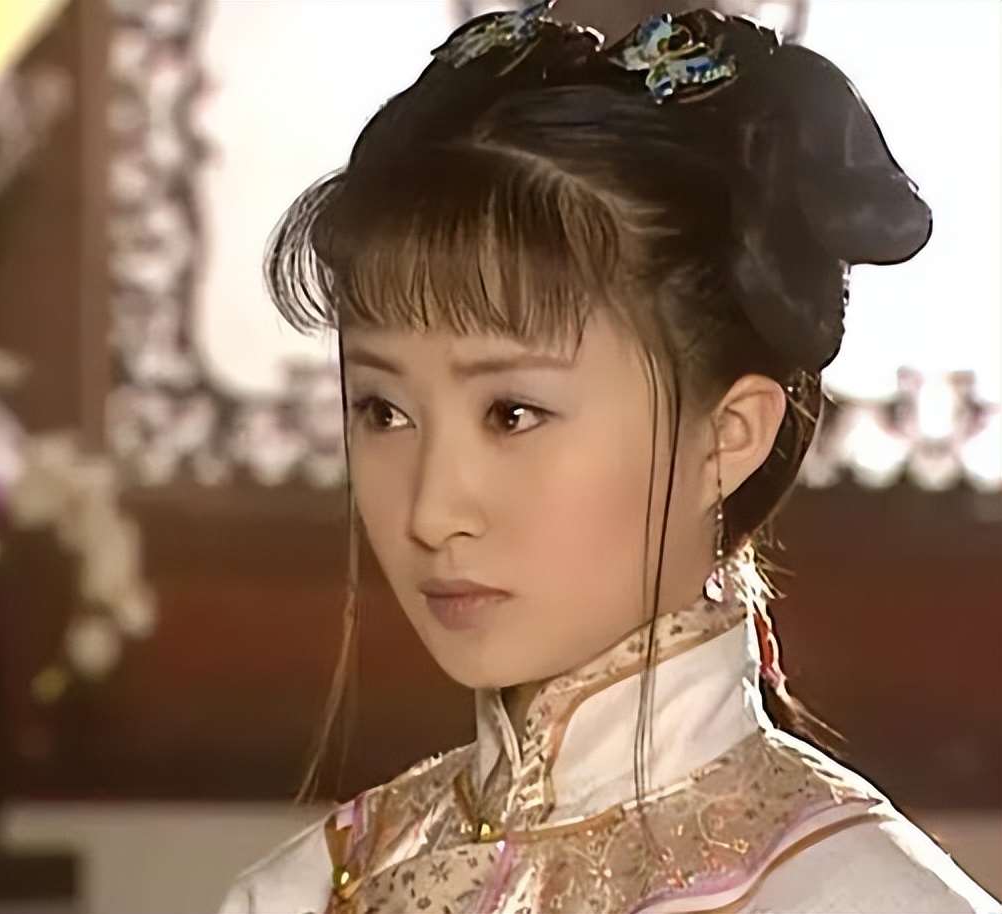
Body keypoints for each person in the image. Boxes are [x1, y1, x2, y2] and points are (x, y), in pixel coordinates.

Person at [217, 4, 1002, 912]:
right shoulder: (309, 891)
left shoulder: (858, 898)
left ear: (728, 435)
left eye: (512, 413)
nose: (431, 512)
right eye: (384, 411)